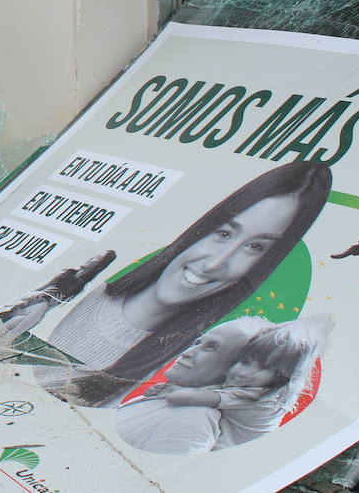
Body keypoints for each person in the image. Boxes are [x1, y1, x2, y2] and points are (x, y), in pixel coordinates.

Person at [34, 160, 332, 407]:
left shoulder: (189, 367)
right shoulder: (86, 279)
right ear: (202, 227)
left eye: (255, 247)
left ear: (267, 263)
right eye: (224, 233)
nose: (216, 262)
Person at [121, 316, 330, 453]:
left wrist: (174, 392)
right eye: (245, 361)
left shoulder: (252, 397)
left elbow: (182, 399)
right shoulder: (265, 392)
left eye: (262, 368)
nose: (243, 372)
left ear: (281, 378)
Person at [114, 316, 270, 454]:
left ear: (235, 369)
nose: (187, 352)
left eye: (211, 347)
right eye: (198, 342)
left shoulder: (191, 420)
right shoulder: (168, 399)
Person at [0, 250, 116, 358]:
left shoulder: (80, 286)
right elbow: (31, 293)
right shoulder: (66, 274)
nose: (89, 259)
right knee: (29, 315)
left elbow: (54, 307)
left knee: (7, 327)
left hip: (30, 315)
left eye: (95, 259)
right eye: (93, 256)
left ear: (98, 266)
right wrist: (36, 294)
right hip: (29, 306)